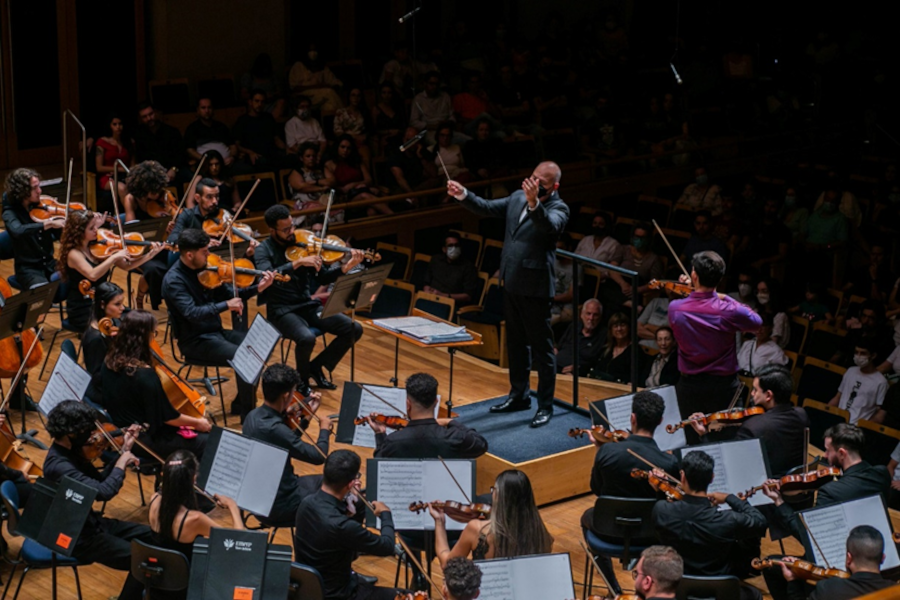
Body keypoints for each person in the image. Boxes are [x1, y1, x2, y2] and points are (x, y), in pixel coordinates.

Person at [448, 162, 569, 428]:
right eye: (533, 178)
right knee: (515, 344)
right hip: (512, 282)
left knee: (542, 350)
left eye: (541, 182)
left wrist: (535, 203)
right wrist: (462, 194)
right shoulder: (516, 197)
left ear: (554, 186)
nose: (534, 184)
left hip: (535, 288)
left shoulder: (559, 208)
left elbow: (549, 227)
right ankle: (519, 396)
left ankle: (545, 406)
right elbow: (487, 207)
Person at [162, 228, 275, 421]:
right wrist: (225, 306)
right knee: (245, 359)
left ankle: (241, 404)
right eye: (205, 251)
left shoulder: (207, 269)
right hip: (195, 341)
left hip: (215, 332)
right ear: (189, 255)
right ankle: (249, 417)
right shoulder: (174, 281)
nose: (209, 255)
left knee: (258, 349)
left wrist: (258, 288)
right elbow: (192, 313)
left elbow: (231, 294)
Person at [43, 400, 152, 600]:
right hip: (76, 538)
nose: (92, 434)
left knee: (153, 535)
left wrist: (123, 450)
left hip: (90, 523)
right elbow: (104, 492)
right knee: (143, 562)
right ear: (71, 434)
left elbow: (98, 481)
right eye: (86, 430)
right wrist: (121, 462)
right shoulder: (59, 466)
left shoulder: (70, 453)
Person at [254, 204, 364, 392]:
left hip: (306, 304)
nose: (292, 232)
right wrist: (297, 263)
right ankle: (301, 380)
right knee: (306, 338)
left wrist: (346, 267)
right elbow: (267, 275)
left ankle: (316, 366)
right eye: (286, 229)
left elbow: (323, 277)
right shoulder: (263, 250)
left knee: (353, 328)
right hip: (281, 310)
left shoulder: (303, 243)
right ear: (272, 230)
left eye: (292, 226)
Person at [582, 391, 681, 595]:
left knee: (586, 517)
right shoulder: (668, 463)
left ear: (632, 418)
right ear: (660, 421)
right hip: (649, 534)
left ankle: (613, 587)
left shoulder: (607, 451)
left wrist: (600, 451)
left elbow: (597, 490)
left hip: (607, 529)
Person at [668, 251, 762, 442]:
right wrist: (724, 297)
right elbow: (757, 322)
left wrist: (692, 291)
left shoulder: (675, 308)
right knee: (723, 442)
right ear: (720, 278)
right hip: (723, 388)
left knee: (688, 441)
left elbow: (691, 304)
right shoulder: (729, 310)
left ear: (694, 275)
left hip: (689, 387)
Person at [652, 451, 767, 600]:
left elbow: (661, 518)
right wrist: (729, 498)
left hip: (678, 588)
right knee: (755, 595)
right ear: (712, 478)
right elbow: (760, 522)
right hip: (721, 591)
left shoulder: (661, 510)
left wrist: (659, 492)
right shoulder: (728, 520)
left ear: (682, 476)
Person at [293, 450, 403, 600]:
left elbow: (342, 542)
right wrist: (386, 515)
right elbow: (387, 546)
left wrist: (351, 507)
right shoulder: (342, 526)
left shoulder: (306, 504)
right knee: (407, 595)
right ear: (351, 483)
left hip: (309, 588)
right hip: (338, 595)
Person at [100, 310, 211, 459]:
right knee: (209, 443)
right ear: (145, 337)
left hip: (122, 431)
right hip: (143, 440)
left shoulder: (109, 361)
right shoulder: (144, 375)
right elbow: (168, 417)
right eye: (153, 334)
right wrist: (198, 423)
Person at [762, 424, 891, 541]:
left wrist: (779, 501)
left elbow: (808, 537)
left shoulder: (830, 492)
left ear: (841, 453)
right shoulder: (882, 474)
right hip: (873, 546)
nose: (824, 455)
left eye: (828, 450)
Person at [242, 363, 332, 524]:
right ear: (285, 396)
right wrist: (324, 430)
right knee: (339, 491)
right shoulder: (275, 429)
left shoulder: (252, 416)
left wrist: (307, 416)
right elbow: (319, 456)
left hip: (258, 498)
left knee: (333, 480)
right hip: (280, 505)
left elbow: (287, 443)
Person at [691, 364, 808, 477]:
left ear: (768, 395)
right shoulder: (802, 414)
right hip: (792, 484)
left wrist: (704, 434)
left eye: (755, 390)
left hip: (763, 487)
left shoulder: (753, 427)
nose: (752, 393)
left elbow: (730, 464)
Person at [57, 210, 162, 331]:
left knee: (137, 320)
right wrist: (113, 257)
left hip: (103, 303)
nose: (96, 230)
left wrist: (149, 255)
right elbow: (93, 275)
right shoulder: (74, 254)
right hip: (83, 308)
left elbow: (127, 266)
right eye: (91, 228)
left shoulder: (100, 247)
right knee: (125, 326)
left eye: (95, 226)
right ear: (79, 232)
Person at [429, 470, 552, 567]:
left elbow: (447, 565)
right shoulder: (542, 536)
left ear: (499, 498)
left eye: (494, 490)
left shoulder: (477, 529)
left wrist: (439, 522)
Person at [148, 450, 243, 569]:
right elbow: (239, 542)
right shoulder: (195, 519)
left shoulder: (154, 500)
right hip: (185, 576)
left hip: (162, 569)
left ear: (164, 475)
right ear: (193, 479)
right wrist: (233, 506)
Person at [367, 372, 487, 459]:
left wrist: (380, 434)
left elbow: (380, 464)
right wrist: (450, 422)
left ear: (408, 404)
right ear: (436, 402)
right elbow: (481, 444)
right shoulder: (455, 437)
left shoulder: (394, 441)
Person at [780, 526, 897, 600]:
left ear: (849, 558)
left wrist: (793, 581)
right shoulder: (894, 591)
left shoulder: (829, 589)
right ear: (882, 558)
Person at [122, 160, 176, 308]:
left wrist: (170, 225)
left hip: (163, 245)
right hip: (143, 248)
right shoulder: (131, 199)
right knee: (154, 269)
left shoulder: (164, 197)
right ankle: (139, 298)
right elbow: (132, 233)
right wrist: (157, 228)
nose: (158, 193)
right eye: (153, 190)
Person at [2, 168, 64, 289]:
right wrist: (46, 224)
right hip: (28, 270)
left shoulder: (43, 208)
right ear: (22, 191)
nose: (40, 191)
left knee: (80, 275)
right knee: (42, 295)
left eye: (39, 186)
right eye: (34, 188)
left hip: (50, 264)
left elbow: (61, 237)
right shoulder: (10, 213)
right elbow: (17, 230)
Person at [325, 134, 388, 217]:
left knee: (372, 212)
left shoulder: (357, 161)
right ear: (337, 147)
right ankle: (394, 216)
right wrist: (345, 188)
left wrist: (353, 185)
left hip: (361, 191)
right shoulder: (329, 165)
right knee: (364, 196)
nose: (345, 150)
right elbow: (331, 185)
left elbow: (369, 180)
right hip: (345, 198)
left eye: (348, 148)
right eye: (342, 147)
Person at [82, 281, 125, 402]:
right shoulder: (96, 338)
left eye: (122, 303)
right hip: (104, 391)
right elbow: (98, 377)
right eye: (117, 304)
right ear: (102, 304)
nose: (122, 308)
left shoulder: (110, 322)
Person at [828, 338, 888, 424]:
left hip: (855, 427)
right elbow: (838, 396)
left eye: (863, 353)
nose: (858, 356)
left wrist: (863, 428)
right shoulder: (850, 371)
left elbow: (879, 413)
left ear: (873, 355)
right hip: (837, 419)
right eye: (856, 352)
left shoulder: (881, 382)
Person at [233, 89, 288, 170]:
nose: (259, 104)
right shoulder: (242, 120)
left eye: (262, 102)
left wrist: (287, 149)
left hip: (271, 153)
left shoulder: (268, 118)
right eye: (257, 101)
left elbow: (276, 139)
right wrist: (250, 152)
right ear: (250, 102)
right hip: (254, 155)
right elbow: (237, 144)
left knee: (290, 158)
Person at [423, 232, 481, 305]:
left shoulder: (468, 267)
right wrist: (426, 290)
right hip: (430, 299)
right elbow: (427, 282)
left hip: (450, 304)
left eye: (456, 245)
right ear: (444, 249)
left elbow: (468, 296)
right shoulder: (436, 260)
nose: (454, 248)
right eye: (450, 246)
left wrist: (443, 296)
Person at [133, 102, 184, 181]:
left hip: (173, 169)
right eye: (144, 117)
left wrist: (173, 169)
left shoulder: (171, 131)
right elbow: (140, 159)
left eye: (151, 114)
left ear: (156, 113)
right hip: (151, 173)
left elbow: (180, 154)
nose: (149, 118)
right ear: (140, 119)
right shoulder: (139, 135)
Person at [590, 311, 644, 385]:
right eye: (615, 326)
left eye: (622, 325)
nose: (619, 329)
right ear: (611, 331)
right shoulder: (606, 349)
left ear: (628, 328)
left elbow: (637, 377)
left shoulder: (636, 351)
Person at [183, 98, 239, 166]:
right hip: (204, 164)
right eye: (203, 108)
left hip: (226, 164)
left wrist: (231, 157)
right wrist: (205, 160)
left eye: (209, 107)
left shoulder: (221, 126)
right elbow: (190, 150)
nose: (207, 111)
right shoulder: (192, 128)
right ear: (198, 110)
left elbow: (233, 146)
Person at [556, 299, 605, 375]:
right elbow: (558, 347)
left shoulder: (603, 335)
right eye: (588, 314)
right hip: (555, 366)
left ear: (600, 317)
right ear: (582, 315)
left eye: (595, 315)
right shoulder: (574, 326)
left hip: (577, 374)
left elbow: (597, 363)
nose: (591, 318)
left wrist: (579, 368)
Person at [288, 45, 344, 112]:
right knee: (329, 92)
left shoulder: (322, 67)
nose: (313, 53)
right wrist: (317, 86)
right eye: (310, 50)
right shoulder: (298, 66)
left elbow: (333, 81)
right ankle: (346, 115)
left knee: (329, 106)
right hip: (304, 96)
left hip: (321, 97)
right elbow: (294, 87)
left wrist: (336, 85)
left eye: (315, 50)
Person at [94, 112, 133, 201]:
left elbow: (133, 164)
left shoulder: (129, 142)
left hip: (126, 175)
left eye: (120, 124)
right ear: (110, 126)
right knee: (122, 188)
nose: (118, 127)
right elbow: (99, 167)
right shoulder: (102, 142)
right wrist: (118, 169)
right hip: (108, 177)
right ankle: (128, 213)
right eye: (114, 124)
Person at [410, 72, 454, 144]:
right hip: (430, 131)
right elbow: (414, 122)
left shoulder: (445, 96)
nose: (434, 87)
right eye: (431, 84)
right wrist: (430, 126)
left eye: (437, 84)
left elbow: (452, 115)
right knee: (437, 143)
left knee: (467, 141)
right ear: (425, 84)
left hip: (447, 130)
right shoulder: (418, 99)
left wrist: (449, 122)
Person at [285, 95, 328, 161]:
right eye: (302, 107)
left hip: (315, 149)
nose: (305, 109)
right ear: (295, 109)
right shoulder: (290, 124)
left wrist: (320, 153)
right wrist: (305, 155)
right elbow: (292, 145)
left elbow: (323, 141)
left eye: (307, 107)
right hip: (301, 151)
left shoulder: (314, 121)